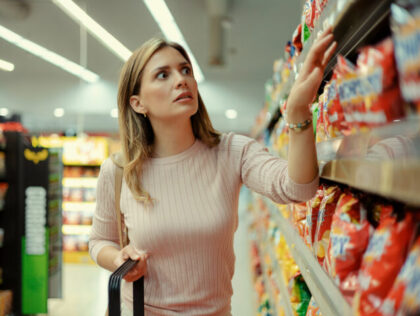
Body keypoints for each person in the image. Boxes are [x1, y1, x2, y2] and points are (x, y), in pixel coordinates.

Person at [89, 27, 337, 316]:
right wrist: (118, 257)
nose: (181, 80)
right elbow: (99, 241)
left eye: (185, 70)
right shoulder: (119, 171)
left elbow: (298, 188)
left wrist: (297, 115)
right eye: (163, 75)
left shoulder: (233, 152)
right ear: (138, 103)